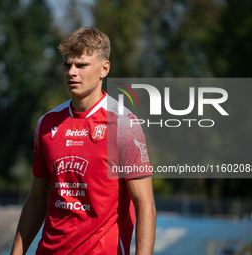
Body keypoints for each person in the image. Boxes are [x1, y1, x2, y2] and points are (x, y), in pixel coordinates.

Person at [10, 27, 156, 255]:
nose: (71, 72)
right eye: (67, 64)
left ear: (104, 69)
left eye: (81, 65)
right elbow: (37, 199)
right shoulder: (47, 125)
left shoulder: (124, 125)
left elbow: (145, 205)